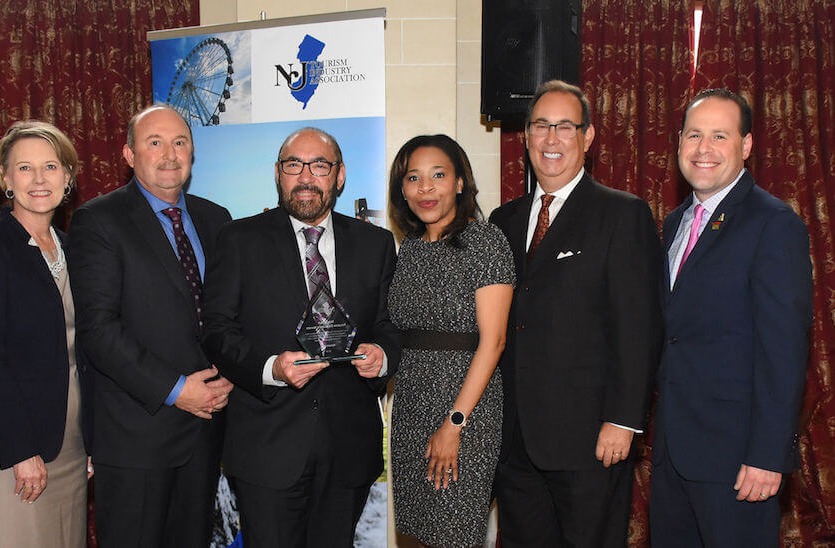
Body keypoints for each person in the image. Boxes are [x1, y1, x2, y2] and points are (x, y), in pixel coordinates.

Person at [200, 127, 401, 547]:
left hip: (349, 447)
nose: (305, 176)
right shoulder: (238, 239)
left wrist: (382, 354)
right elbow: (216, 329)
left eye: (320, 165)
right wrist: (271, 368)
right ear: (278, 173)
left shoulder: (376, 243)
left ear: (340, 175)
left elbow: (389, 324)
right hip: (267, 448)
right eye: (294, 164)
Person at [489, 80, 663, 547]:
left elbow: (639, 328)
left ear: (588, 138)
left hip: (591, 440)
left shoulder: (622, 215)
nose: (551, 139)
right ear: (525, 137)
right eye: (541, 126)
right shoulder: (501, 221)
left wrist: (623, 420)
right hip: (515, 443)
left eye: (565, 126)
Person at [650, 88, 812, 546]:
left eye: (720, 136)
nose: (704, 149)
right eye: (694, 135)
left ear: (745, 146)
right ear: (679, 142)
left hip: (739, 461)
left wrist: (768, 455)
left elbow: (783, 350)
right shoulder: (673, 223)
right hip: (673, 456)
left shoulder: (774, 224)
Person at [67, 104, 234, 547]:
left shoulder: (217, 220)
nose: (169, 154)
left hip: (204, 432)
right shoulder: (98, 221)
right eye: (154, 142)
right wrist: (179, 390)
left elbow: (231, 314)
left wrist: (231, 376)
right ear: (128, 153)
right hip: (136, 435)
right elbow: (98, 330)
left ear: (193, 152)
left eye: (180, 142)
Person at [0, 120, 91, 547]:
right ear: (6, 179)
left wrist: (93, 438)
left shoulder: (73, 247)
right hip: (9, 447)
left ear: (67, 176)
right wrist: (20, 451)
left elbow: (86, 350)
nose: (39, 179)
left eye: (50, 167)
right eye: (24, 168)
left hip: (69, 440)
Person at [387, 134, 514, 547]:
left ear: (460, 182)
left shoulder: (486, 241)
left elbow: (493, 342)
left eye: (438, 175)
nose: (426, 188)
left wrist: (454, 423)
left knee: (454, 534)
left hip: (465, 413)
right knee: (415, 535)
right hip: (410, 408)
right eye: (413, 178)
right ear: (402, 189)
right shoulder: (409, 250)